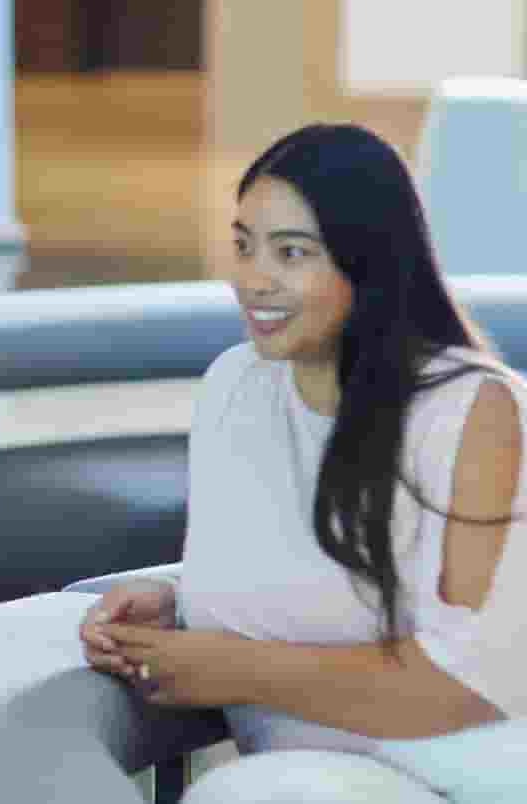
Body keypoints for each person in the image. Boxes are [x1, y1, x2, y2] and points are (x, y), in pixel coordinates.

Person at [78, 124, 525, 801]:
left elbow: (473, 678)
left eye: (291, 253)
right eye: (243, 245)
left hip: (468, 762)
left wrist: (236, 667)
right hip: (311, 766)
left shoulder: (473, 408)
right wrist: (177, 600)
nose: (254, 280)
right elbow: (331, 570)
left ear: (366, 262)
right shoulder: (234, 387)